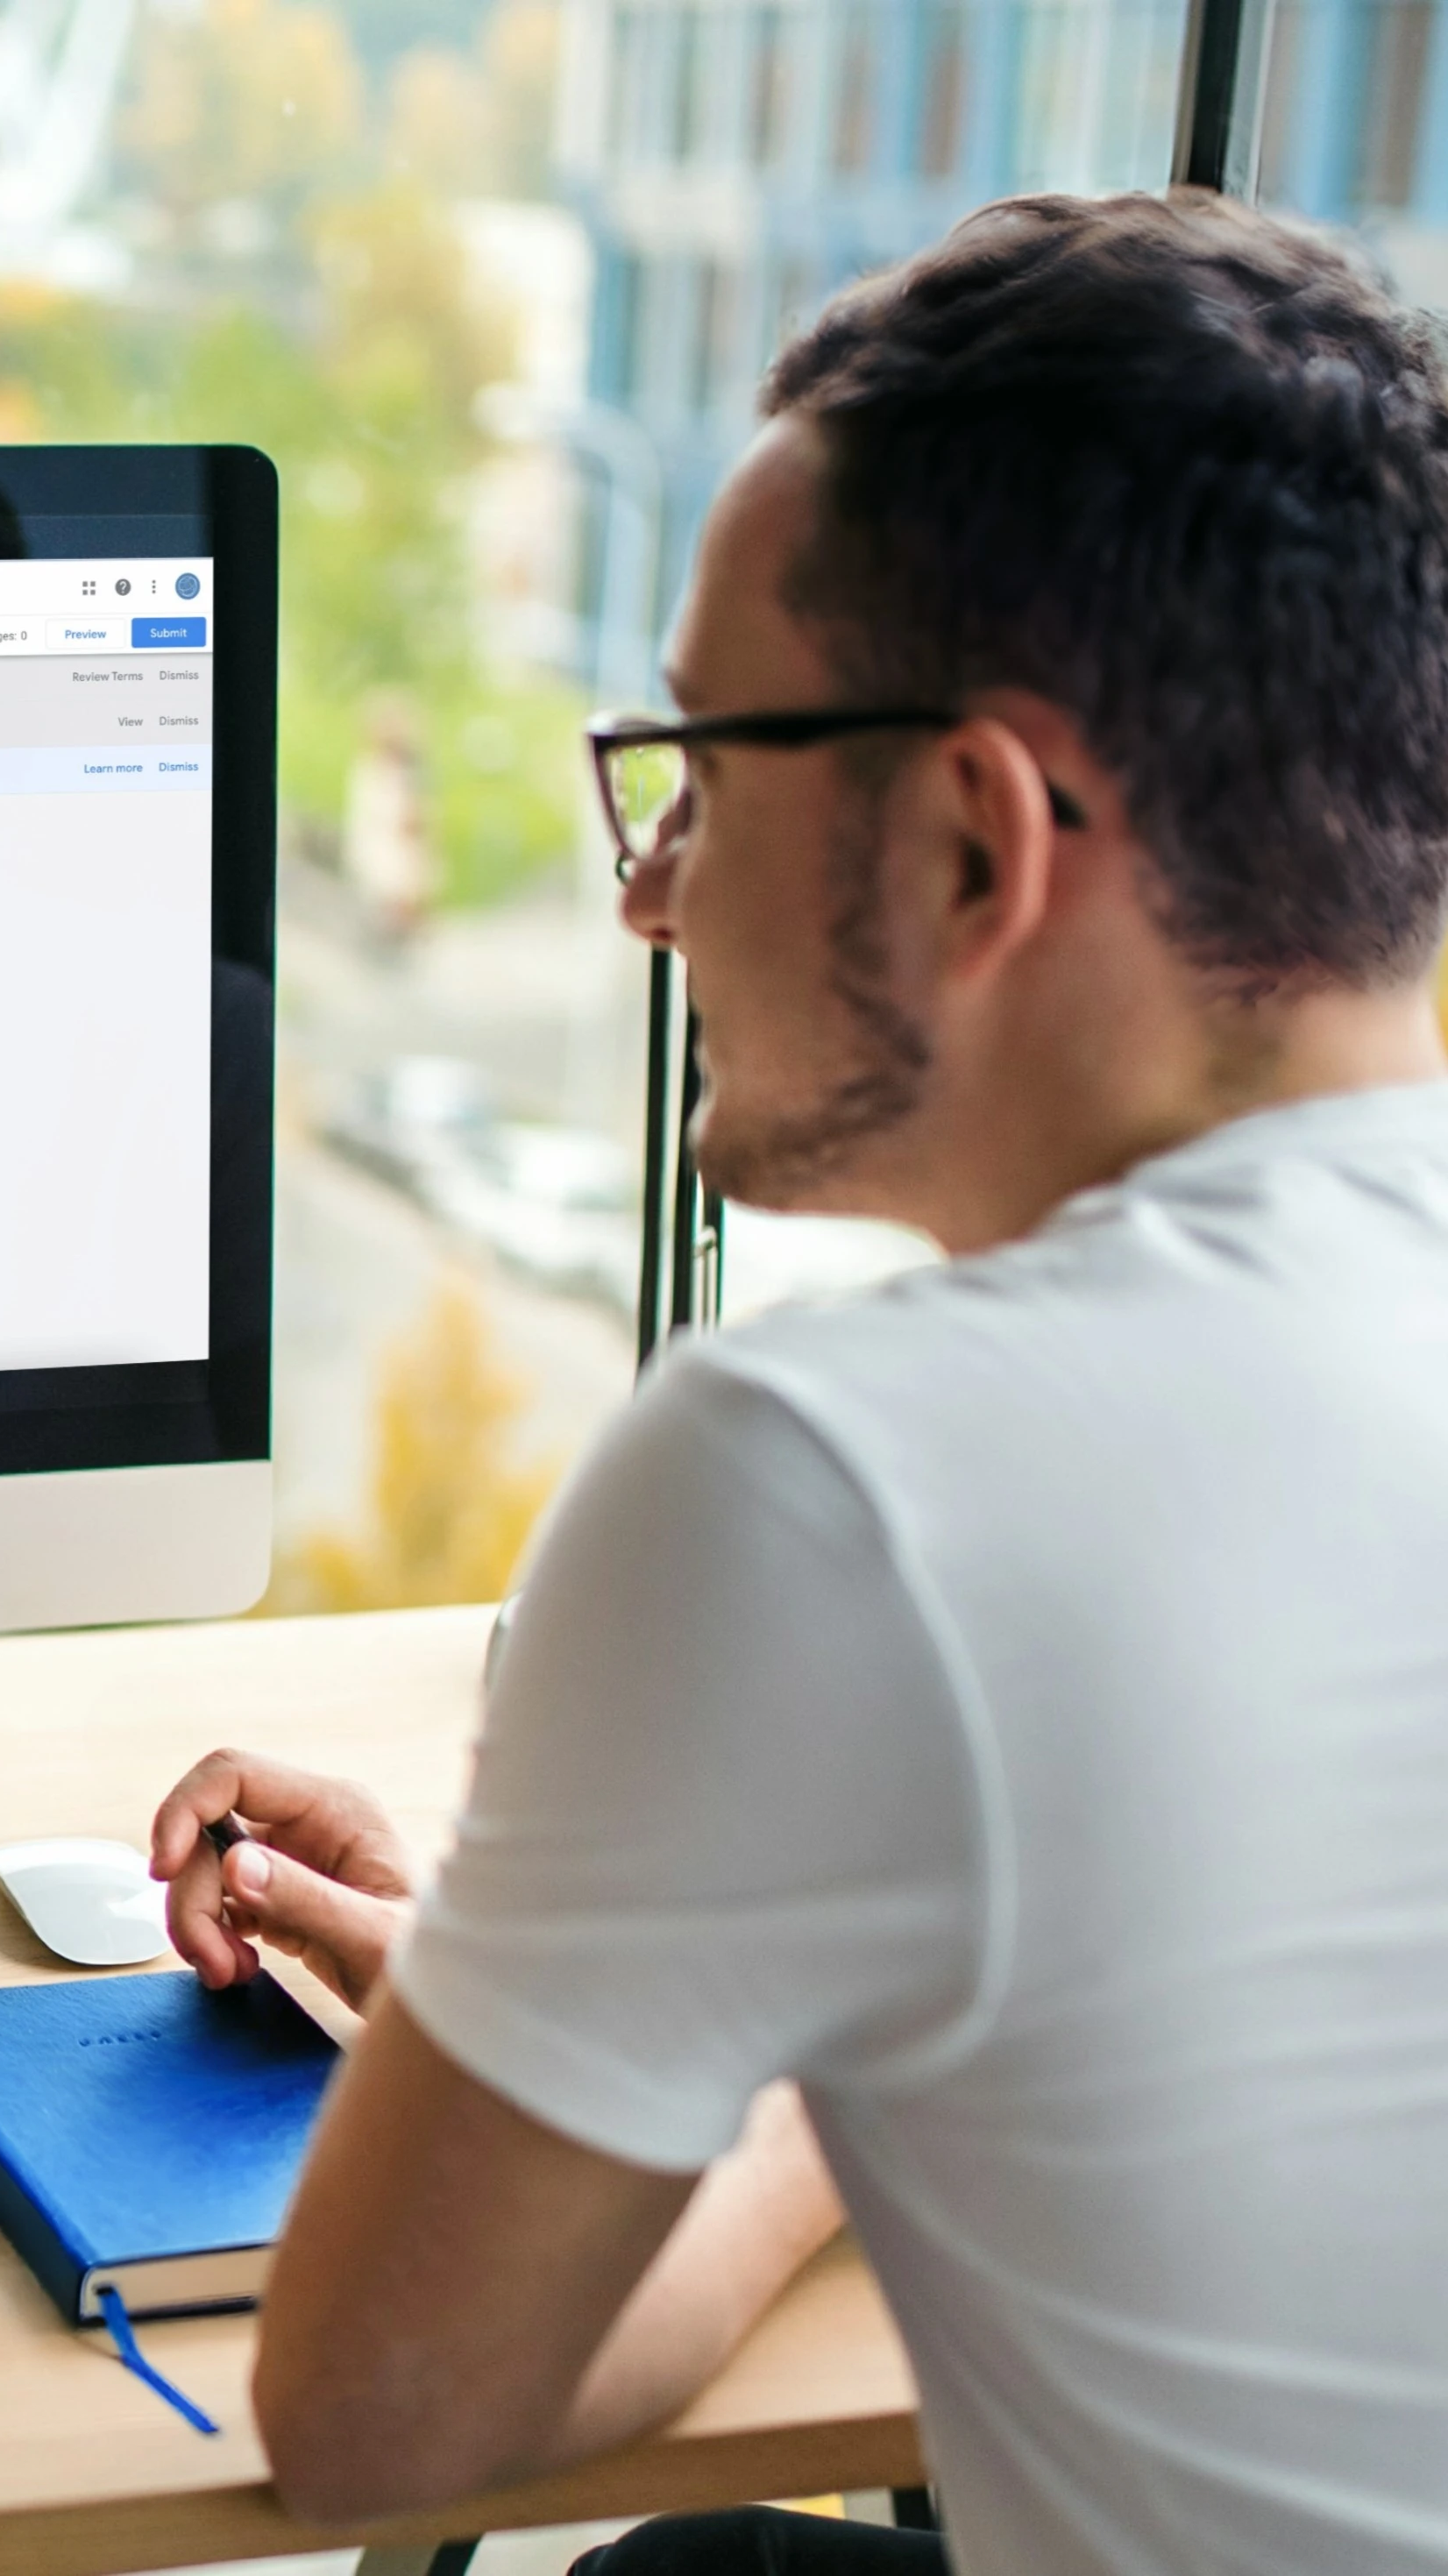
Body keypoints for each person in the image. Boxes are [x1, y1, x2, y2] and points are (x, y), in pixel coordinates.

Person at [148, 193, 1448, 2572]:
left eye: (702, 774)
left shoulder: (832, 1476)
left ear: (971, 842)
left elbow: (374, 2419)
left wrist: (718, 1993)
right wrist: (667, 1972)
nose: (644, 889)